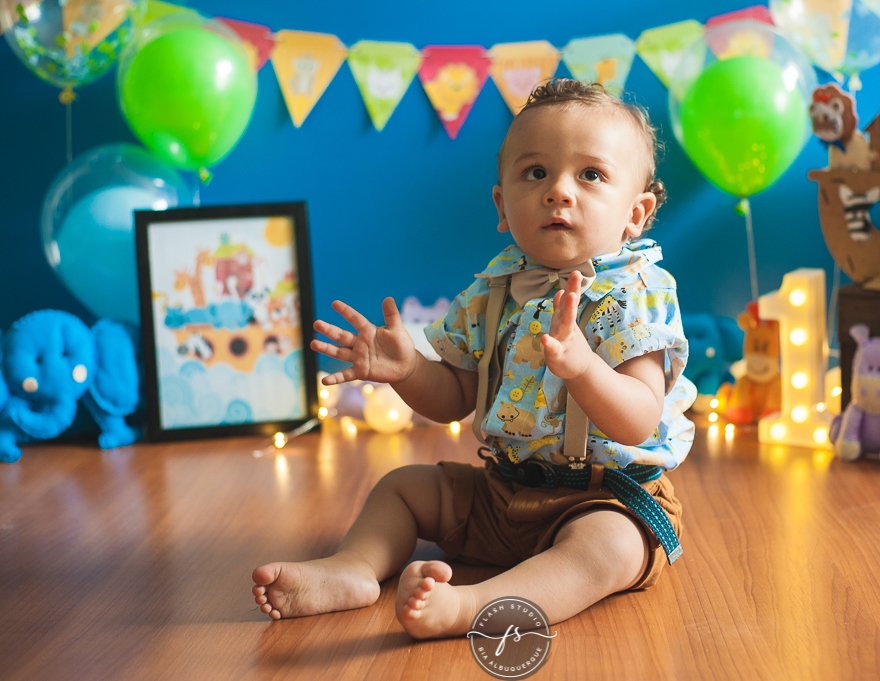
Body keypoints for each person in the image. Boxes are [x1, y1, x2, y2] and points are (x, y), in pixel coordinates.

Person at [252, 78, 695, 639]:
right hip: (503, 490)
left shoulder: (637, 297)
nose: (559, 191)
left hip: (603, 496)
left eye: (591, 175)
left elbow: (638, 418)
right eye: (535, 172)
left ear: (636, 213)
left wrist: (584, 368)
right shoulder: (493, 292)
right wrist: (410, 370)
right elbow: (457, 399)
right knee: (405, 486)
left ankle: (475, 605)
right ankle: (354, 569)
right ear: (502, 205)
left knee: (608, 549)